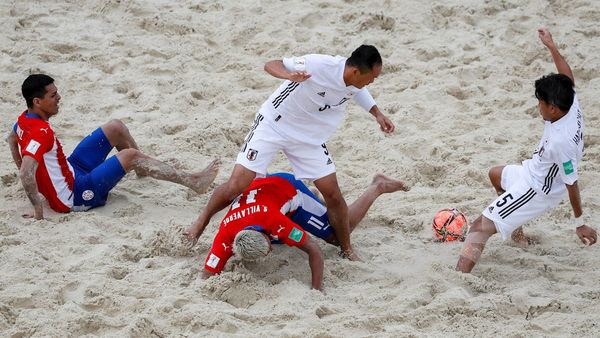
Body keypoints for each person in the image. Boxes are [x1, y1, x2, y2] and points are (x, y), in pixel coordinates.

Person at [185, 45, 396, 261]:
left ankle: (346, 249)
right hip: (274, 125)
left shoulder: (354, 80)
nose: (372, 82)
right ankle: (201, 221)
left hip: (308, 137)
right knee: (236, 185)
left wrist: (377, 114)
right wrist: (289, 75)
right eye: (372, 77)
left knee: (332, 193)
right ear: (356, 72)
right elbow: (271, 64)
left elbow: (359, 91)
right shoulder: (319, 64)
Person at [455, 28, 597, 273]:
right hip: (533, 169)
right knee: (496, 174)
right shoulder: (569, 102)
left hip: (536, 189)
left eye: (540, 102)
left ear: (552, 108)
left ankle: (459, 278)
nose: (538, 106)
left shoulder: (560, 142)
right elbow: (567, 75)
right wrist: (551, 47)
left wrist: (580, 224)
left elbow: (571, 183)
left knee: (479, 228)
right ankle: (516, 231)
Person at [7, 74, 220, 219]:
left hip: (72, 170)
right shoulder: (41, 133)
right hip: (75, 195)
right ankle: (193, 181)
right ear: (37, 102)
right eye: (53, 96)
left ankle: (143, 169)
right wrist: (38, 209)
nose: (59, 98)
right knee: (130, 155)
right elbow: (26, 171)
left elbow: (12, 140)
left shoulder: (23, 120)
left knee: (115, 127)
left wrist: (36, 179)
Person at [201, 172, 408, 290]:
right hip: (263, 193)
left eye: (267, 247)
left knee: (337, 234)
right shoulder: (225, 234)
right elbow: (207, 275)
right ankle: (316, 200)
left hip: (288, 189)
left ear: (267, 234)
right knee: (289, 234)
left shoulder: (275, 223)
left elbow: (314, 249)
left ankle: (377, 186)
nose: (270, 251)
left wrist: (316, 291)